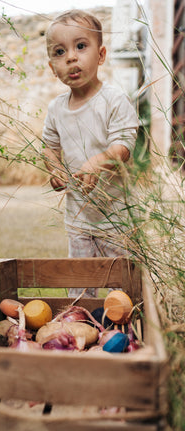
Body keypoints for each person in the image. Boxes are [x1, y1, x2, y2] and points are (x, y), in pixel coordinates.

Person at [42, 9, 139, 297]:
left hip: (116, 217)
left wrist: (99, 161)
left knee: (120, 286)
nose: (71, 57)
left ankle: (126, 331)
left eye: (81, 46)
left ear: (101, 54)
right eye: (60, 52)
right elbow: (49, 147)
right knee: (81, 285)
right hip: (78, 219)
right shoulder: (56, 109)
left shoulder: (113, 100)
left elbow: (123, 146)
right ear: (52, 67)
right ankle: (82, 329)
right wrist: (55, 168)